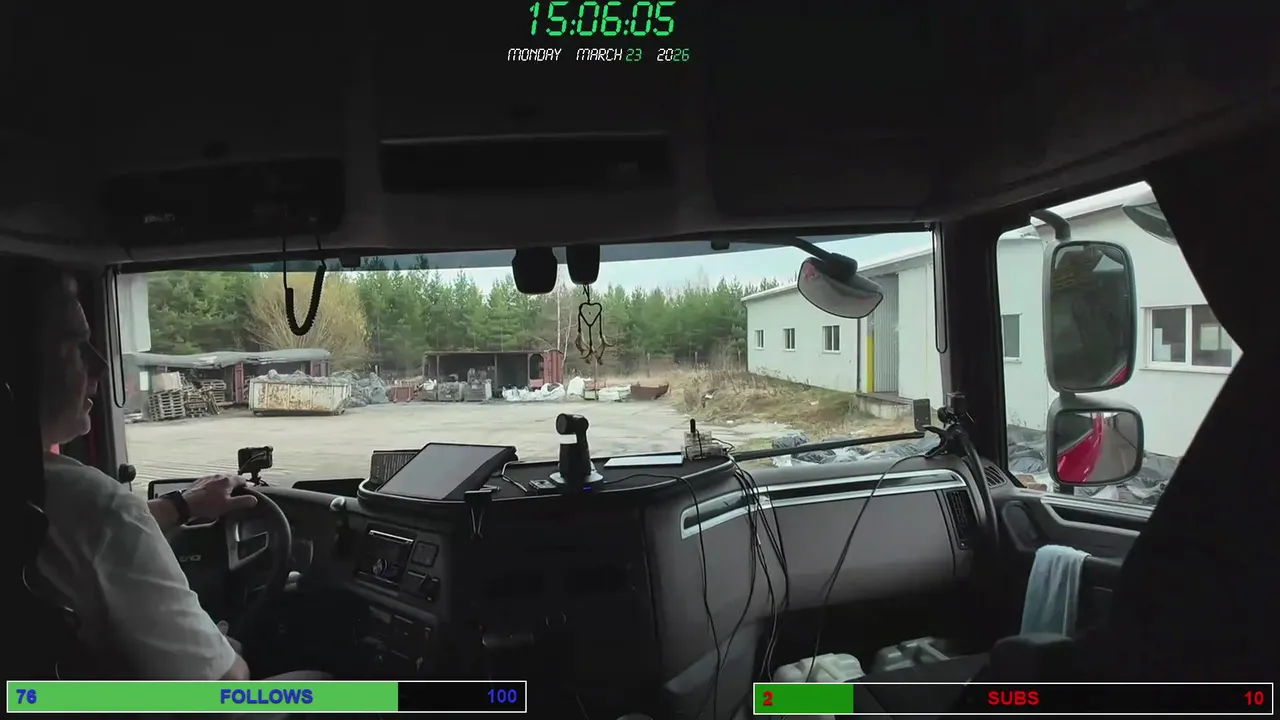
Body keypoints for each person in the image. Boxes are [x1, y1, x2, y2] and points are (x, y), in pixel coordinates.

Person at [33, 267, 325, 681]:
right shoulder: (93, 505)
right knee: (325, 684)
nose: (100, 365)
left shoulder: (51, 498)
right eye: (76, 345)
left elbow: (93, 530)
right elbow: (222, 693)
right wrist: (224, 651)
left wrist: (183, 505)